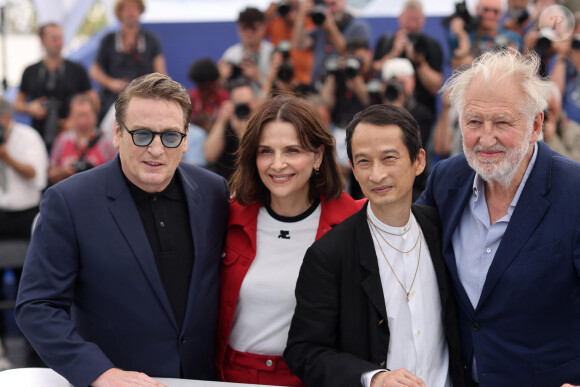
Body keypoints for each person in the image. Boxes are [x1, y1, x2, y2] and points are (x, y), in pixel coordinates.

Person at [15, 73, 229, 387]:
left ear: (185, 140)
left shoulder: (214, 192)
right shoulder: (70, 201)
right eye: (142, 134)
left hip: (203, 379)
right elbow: (37, 306)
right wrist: (98, 372)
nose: (156, 149)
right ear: (117, 133)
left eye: (170, 136)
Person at [416, 49, 580, 386]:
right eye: (474, 121)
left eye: (502, 122)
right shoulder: (446, 179)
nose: (486, 139)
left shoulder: (575, 192)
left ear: (535, 124)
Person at [284, 104, 464, 387]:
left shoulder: (443, 229)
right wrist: (374, 378)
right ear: (353, 169)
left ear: (418, 161)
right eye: (364, 162)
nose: (376, 175)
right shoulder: (329, 255)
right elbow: (303, 351)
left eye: (389, 158)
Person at [216, 95, 363, 386]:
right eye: (266, 151)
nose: (278, 164)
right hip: (231, 376)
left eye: (292, 150)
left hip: (316, 376)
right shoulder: (227, 217)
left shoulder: (355, 220)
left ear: (318, 156)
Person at [13, 23, 97, 149]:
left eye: (61, 38)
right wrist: (30, 108)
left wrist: (76, 120)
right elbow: (17, 103)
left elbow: (94, 102)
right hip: (39, 138)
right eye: (54, 39)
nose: (59, 43)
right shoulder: (30, 71)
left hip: (72, 140)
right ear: (42, 41)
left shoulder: (77, 70)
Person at [90, 0, 166, 120]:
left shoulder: (151, 40)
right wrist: (111, 83)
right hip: (114, 100)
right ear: (119, 12)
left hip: (144, 98)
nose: (131, 12)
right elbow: (94, 71)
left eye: (134, 8)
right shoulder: (109, 40)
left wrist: (149, 90)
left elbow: (161, 74)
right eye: (126, 8)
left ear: (140, 11)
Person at [373, 0, 443, 117]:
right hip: (387, 112)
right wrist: (393, 54)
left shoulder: (431, 45)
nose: (412, 25)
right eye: (409, 19)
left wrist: (419, 62)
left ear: (423, 20)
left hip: (421, 115)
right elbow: (373, 75)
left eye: (416, 20)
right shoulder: (386, 42)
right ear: (400, 18)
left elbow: (435, 87)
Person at [293, 0, 371, 88]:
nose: (331, 9)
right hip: (317, 89)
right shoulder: (320, 28)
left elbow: (347, 54)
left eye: (333, 4)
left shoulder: (358, 27)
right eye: (327, 5)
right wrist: (302, 15)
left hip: (342, 89)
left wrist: (331, 27)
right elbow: (299, 44)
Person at [0, 97, 48, 240]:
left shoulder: (29, 137)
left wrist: (6, 158)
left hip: (26, 213)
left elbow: (34, 174)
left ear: (6, 118)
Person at [48, 94, 117, 185]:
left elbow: (116, 176)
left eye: (86, 115)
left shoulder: (106, 143)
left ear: (95, 115)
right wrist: (64, 170)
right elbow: (50, 175)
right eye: (78, 115)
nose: (82, 121)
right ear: (70, 116)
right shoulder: (62, 140)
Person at [204, 81, 259, 181]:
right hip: (228, 184)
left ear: (255, 102)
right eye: (239, 104)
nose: (244, 108)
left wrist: (242, 135)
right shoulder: (227, 124)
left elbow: (255, 162)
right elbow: (210, 155)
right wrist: (221, 120)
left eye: (247, 103)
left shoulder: (262, 125)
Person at [448, 0, 520, 69]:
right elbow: (456, 64)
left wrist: (471, 62)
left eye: (495, 11)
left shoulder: (512, 37)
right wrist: (462, 37)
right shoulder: (462, 36)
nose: (490, 15)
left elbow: (513, 66)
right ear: (477, 10)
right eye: (486, 10)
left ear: (501, 14)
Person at [219, 7, 275, 89]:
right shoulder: (231, 55)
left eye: (253, 28)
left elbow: (285, 92)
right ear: (238, 28)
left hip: (267, 100)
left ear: (263, 27)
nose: (249, 33)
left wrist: (258, 77)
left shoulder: (273, 53)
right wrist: (221, 78)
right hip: (238, 100)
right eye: (245, 28)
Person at [187, 57, 229, 132]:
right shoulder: (192, 97)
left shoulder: (224, 98)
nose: (204, 92)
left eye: (207, 88)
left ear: (214, 83)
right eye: (201, 88)